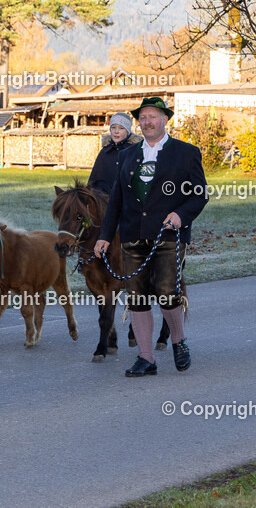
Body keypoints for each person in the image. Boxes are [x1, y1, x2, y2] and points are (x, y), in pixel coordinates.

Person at [94, 97, 208, 377]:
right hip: (133, 236)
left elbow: (200, 193)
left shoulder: (186, 153)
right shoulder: (128, 156)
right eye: (142, 117)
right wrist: (105, 236)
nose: (147, 122)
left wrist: (181, 215)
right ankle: (146, 358)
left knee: (168, 293)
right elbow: (117, 200)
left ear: (165, 119)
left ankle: (179, 341)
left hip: (169, 235)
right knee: (136, 297)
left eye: (152, 117)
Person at [88, 111, 142, 195]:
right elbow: (94, 181)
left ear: (127, 131)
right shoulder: (105, 152)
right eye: (113, 127)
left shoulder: (134, 152)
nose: (116, 131)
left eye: (121, 128)